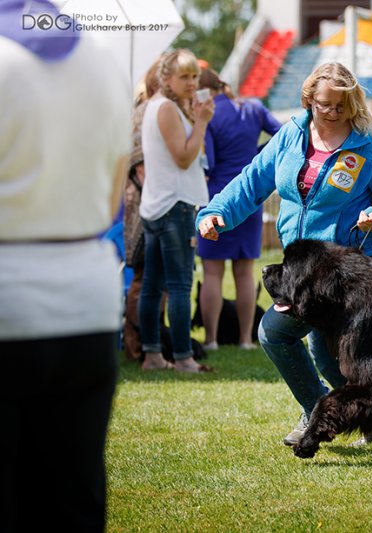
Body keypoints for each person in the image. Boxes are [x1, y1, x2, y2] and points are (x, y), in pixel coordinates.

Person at [196, 62, 372, 446]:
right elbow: (251, 181)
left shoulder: (369, 144)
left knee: (297, 342)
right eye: (324, 104)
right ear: (309, 98)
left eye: (340, 107)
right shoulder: (290, 137)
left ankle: (330, 417)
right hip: (302, 270)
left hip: (350, 271)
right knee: (309, 348)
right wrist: (216, 213)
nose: (332, 113)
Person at [0, 6, 129, 531]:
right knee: (74, 497)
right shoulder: (102, 58)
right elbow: (110, 200)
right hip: (87, 295)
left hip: (10, 288)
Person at [139, 49, 215, 373]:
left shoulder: (161, 106)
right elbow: (183, 157)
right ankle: (183, 357)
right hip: (174, 206)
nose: (191, 82)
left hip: (160, 205)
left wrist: (196, 118)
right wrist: (201, 122)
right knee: (180, 285)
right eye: (184, 76)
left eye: (194, 76)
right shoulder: (166, 108)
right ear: (166, 77)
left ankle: (153, 355)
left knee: (153, 286)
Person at [196, 68, 282, 350]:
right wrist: (258, 156)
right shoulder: (254, 108)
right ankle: (246, 339)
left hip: (217, 198)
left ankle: (210, 340)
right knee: (245, 272)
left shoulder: (210, 115)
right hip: (250, 198)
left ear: (204, 91)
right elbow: (282, 135)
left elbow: (207, 161)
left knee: (212, 273)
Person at [123, 59, 162, 362]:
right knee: (144, 276)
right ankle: (136, 344)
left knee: (157, 279)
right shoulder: (142, 113)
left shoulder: (162, 111)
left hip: (160, 203)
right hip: (144, 206)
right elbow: (140, 168)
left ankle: (155, 340)